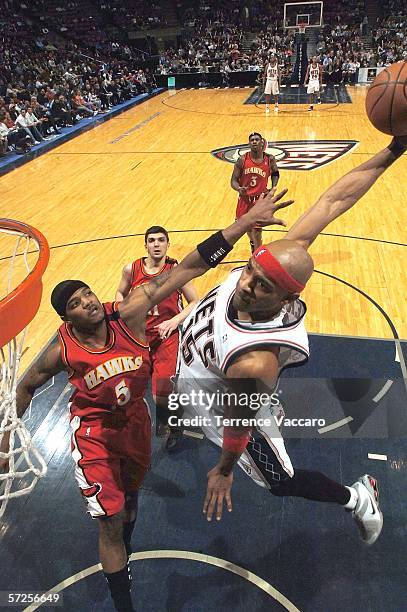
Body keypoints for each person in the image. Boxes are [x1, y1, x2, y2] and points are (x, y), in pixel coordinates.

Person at [0, 193, 292, 612]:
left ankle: (122, 549)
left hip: (135, 424)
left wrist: (243, 224)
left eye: (88, 294)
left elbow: (190, 266)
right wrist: (6, 439)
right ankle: (124, 602)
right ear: (68, 319)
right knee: (111, 523)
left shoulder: (130, 313)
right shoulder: (62, 351)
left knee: (130, 506)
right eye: (77, 304)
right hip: (94, 434)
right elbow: (25, 387)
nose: (89, 302)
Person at [174, 136, 407, 543]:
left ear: (286, 296)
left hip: (225, 401)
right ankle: (266, 400)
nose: (245, 285)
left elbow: (236, 425)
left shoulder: (255, 359)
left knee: (279, 480)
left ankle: (357, 498)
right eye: (247, 271)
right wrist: (395, 148)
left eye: (261, 286)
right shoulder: (279, 260)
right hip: (206, 373)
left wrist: (224, 469)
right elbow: (334, 200)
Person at [115, 226, 199, 451]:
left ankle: (175, 424)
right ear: (146, 245)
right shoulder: (130, 269)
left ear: (168, 244)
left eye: (161, 240)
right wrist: (123, 312)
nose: (156, 244)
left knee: (161, 394)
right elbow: (120, 294)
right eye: (152, 240)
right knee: (128, 388)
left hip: (165, 337)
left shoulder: (176, 270)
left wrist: (174, 322)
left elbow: (195, 302)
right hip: (138, 337)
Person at [231, 132, 280, 253]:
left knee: (257, 231)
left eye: (257, 139)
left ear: (262, 142)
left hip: (260, 199)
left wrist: (273, 187)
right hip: (245, 199)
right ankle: (253, 242)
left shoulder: (269, 159)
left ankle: (257, 255)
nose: (254, 141)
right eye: (252, 140)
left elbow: (275, 173)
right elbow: (233, 180)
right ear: (249, 143)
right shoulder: (242, 160)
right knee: (246, 227)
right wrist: (238, 188)